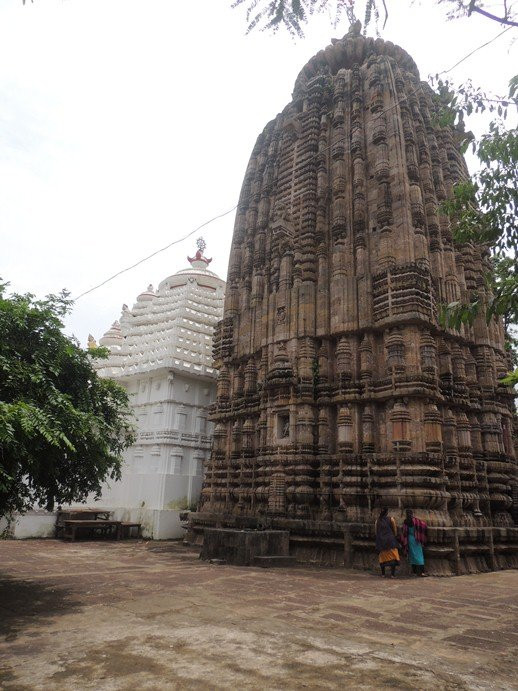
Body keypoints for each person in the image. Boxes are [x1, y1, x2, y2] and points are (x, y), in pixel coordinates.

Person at [400, 509, 427, 576]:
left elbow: (404, 531)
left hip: (409, 539)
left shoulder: (405, 521)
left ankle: (414, 572)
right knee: (419, 555)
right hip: (416, 539)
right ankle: (422, 572)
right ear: (412, 514)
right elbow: (423, 525)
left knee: (412, 555)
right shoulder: (416, 521)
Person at [374, 507, 400, 578]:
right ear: (387, 512)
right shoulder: (391, 519)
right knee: (394, 557)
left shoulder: (377, 521)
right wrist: (393, 536)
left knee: (382, 558)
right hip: (390, 541)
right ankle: (392, 574)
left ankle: (383, 574)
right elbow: (395, 530)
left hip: (381, 542)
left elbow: (376, 532)